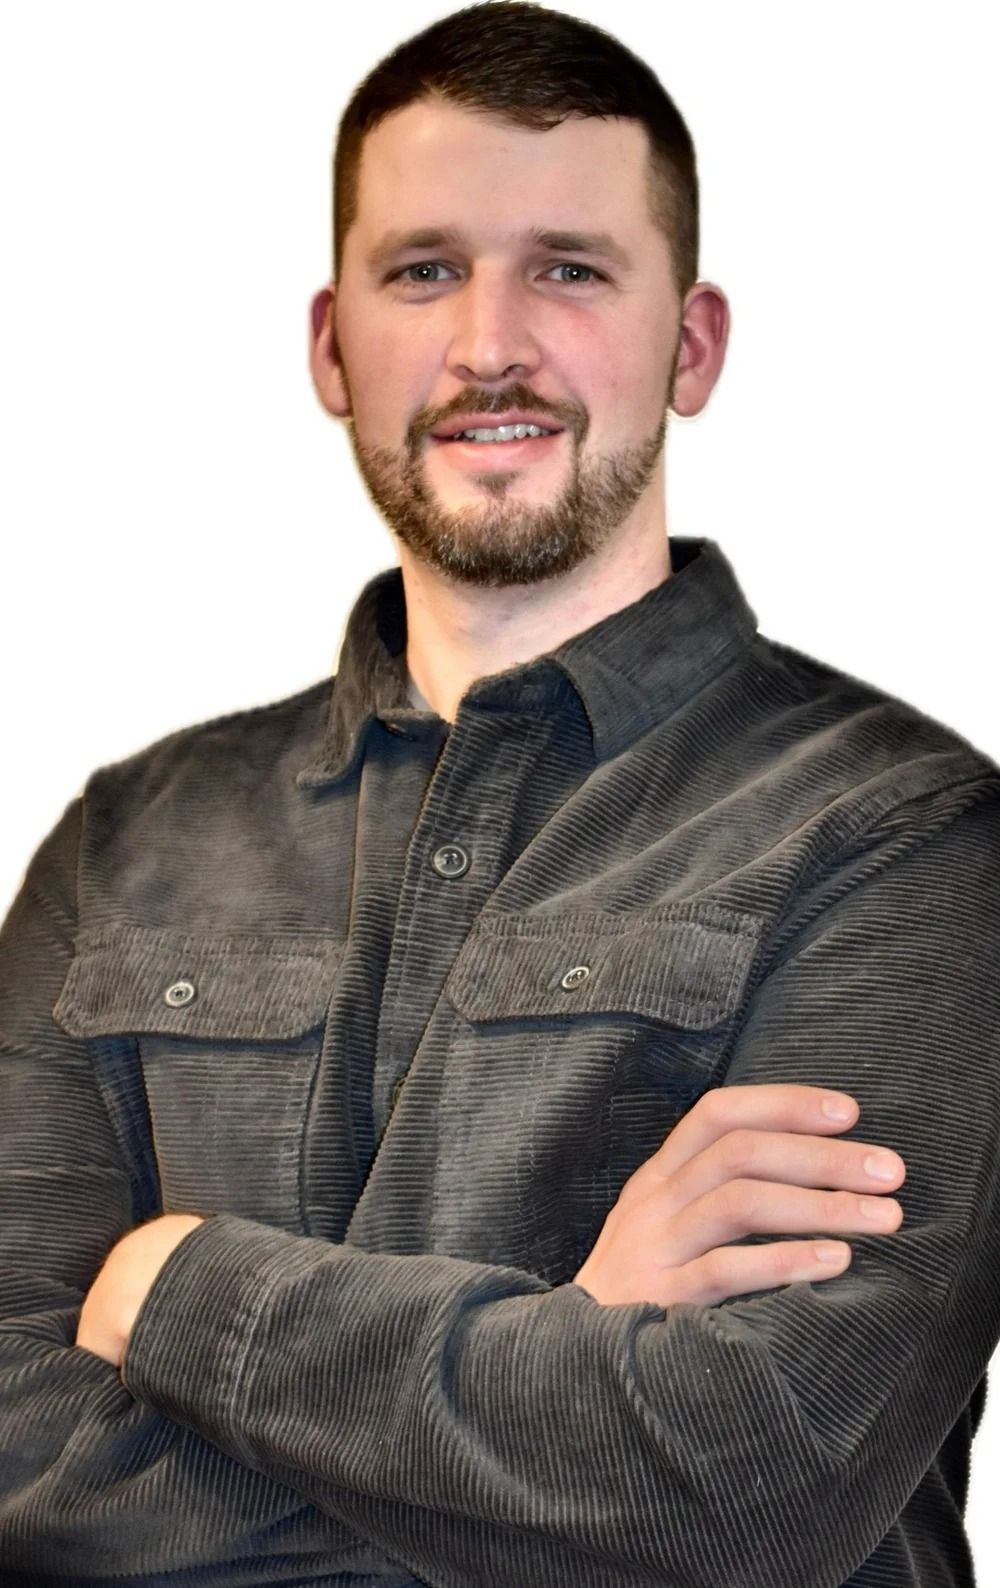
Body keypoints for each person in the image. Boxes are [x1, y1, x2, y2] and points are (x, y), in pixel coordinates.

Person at [1, 3, 998, 1584]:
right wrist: (576, 1352)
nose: (488, 344)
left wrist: (179, 1289)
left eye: (570, 268)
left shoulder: (905, 840)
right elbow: (11, 1469)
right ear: (334, 346)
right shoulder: (123, 849)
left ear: (695, 342)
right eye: (425, 271)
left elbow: (749, 1488)